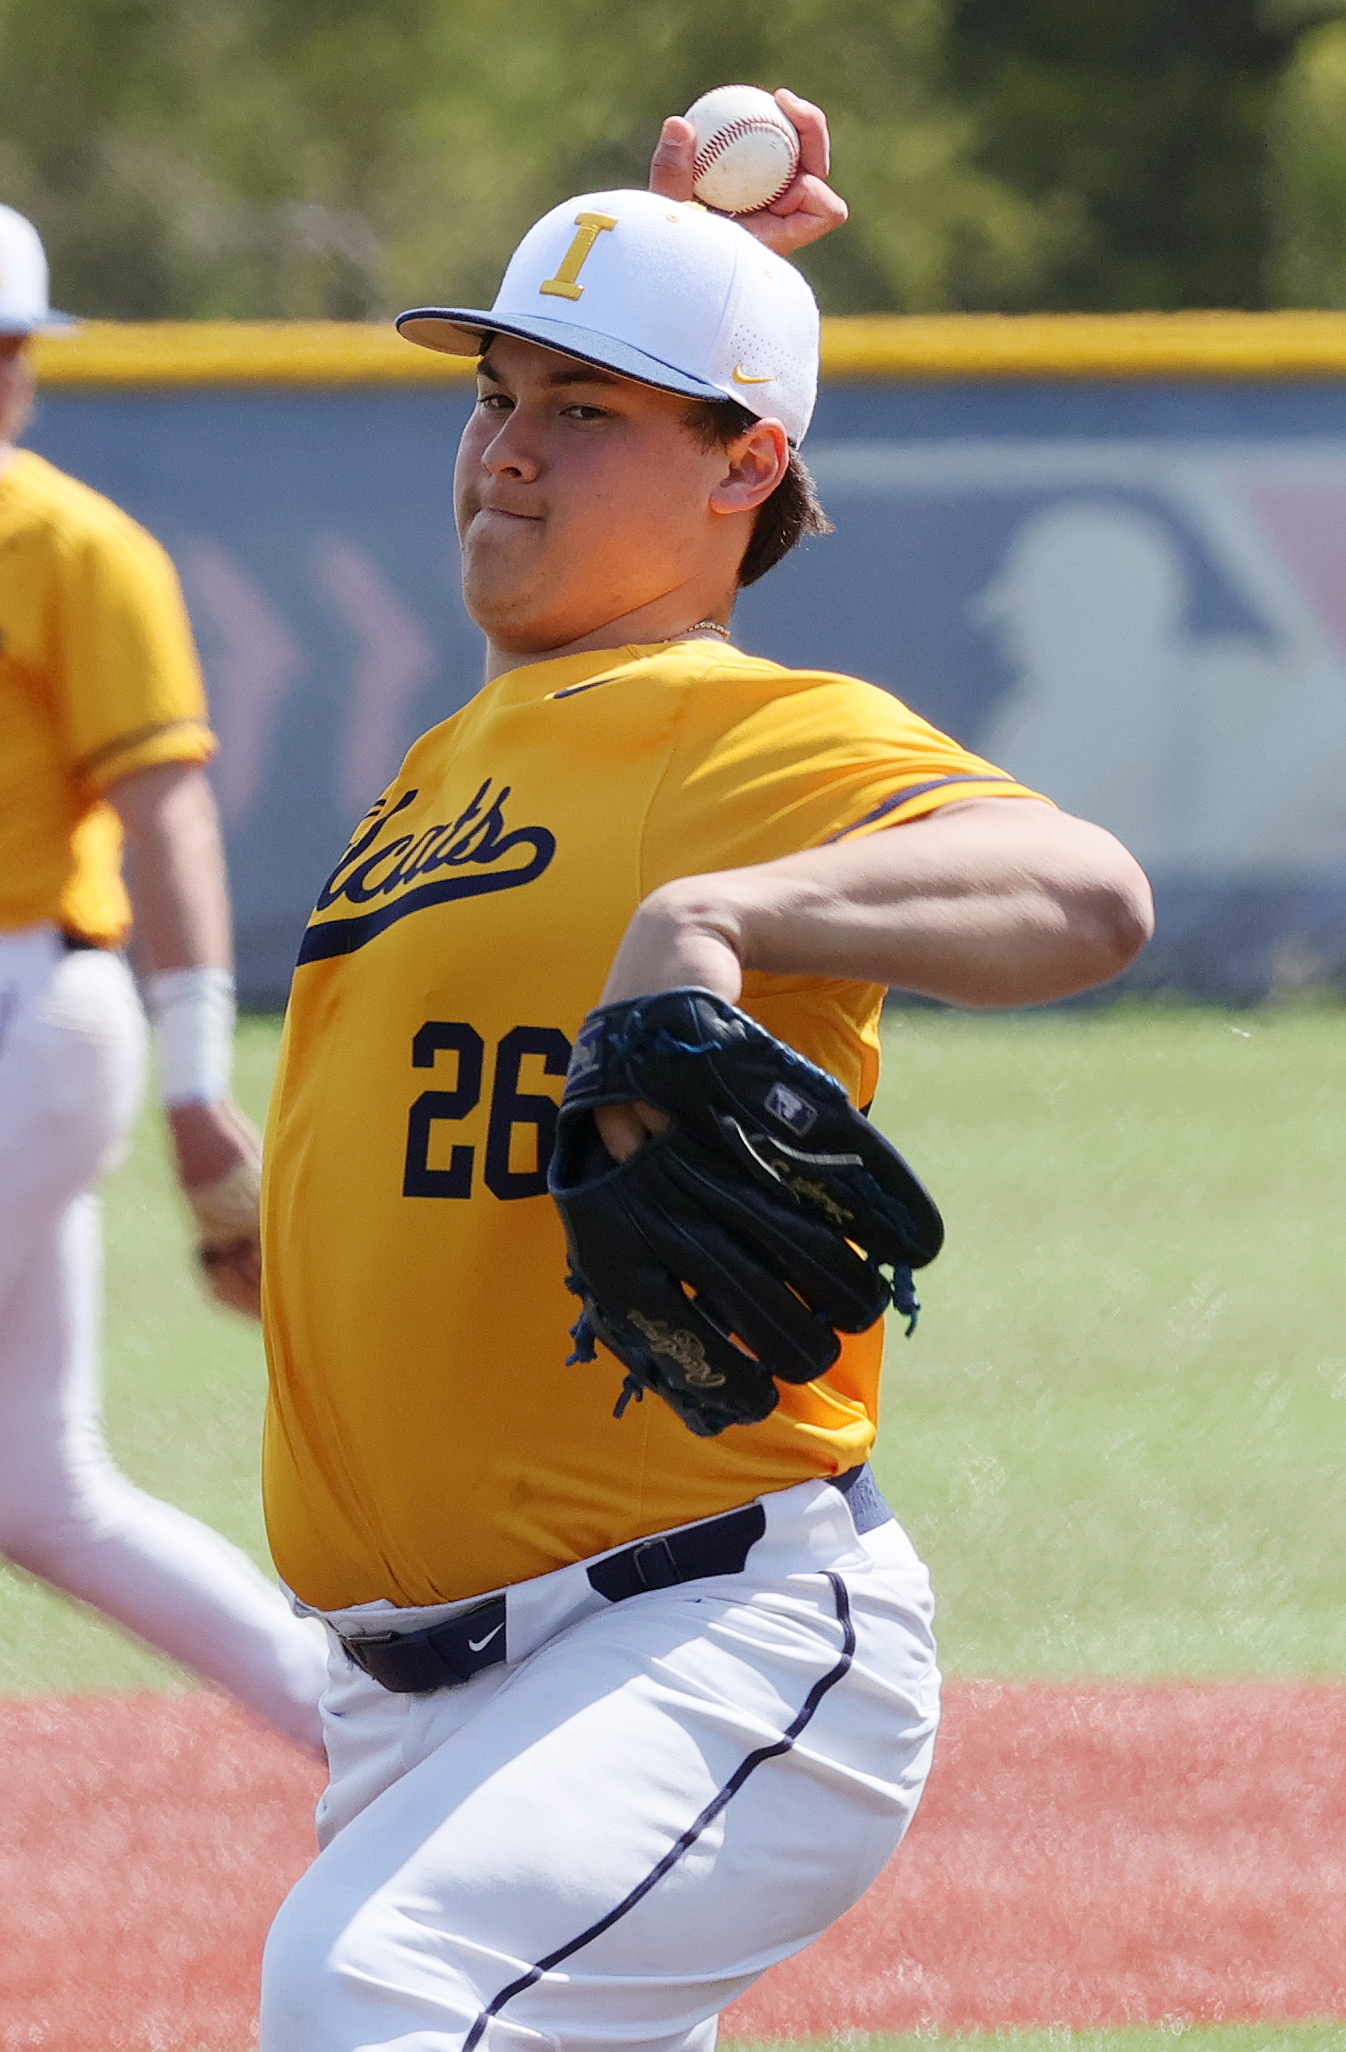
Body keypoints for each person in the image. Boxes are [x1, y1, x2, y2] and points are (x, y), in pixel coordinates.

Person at [258, 97, 1153, 2049]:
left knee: (376, 1995)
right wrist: (681, 275)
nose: (504, 443)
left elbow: (1084, 895)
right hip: (420, 1700)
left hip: (705, 1634)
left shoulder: (736, 734)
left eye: (585, 410)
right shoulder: (464, 753)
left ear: (749, 462)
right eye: (498, 390)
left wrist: (727, 918)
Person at [0, 203, 326, 1751]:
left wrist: (200, 1087)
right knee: (38, 1491)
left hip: (30, 1011)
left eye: (9, 351)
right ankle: (371, 1739)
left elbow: (165, 816)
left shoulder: (68, 548)